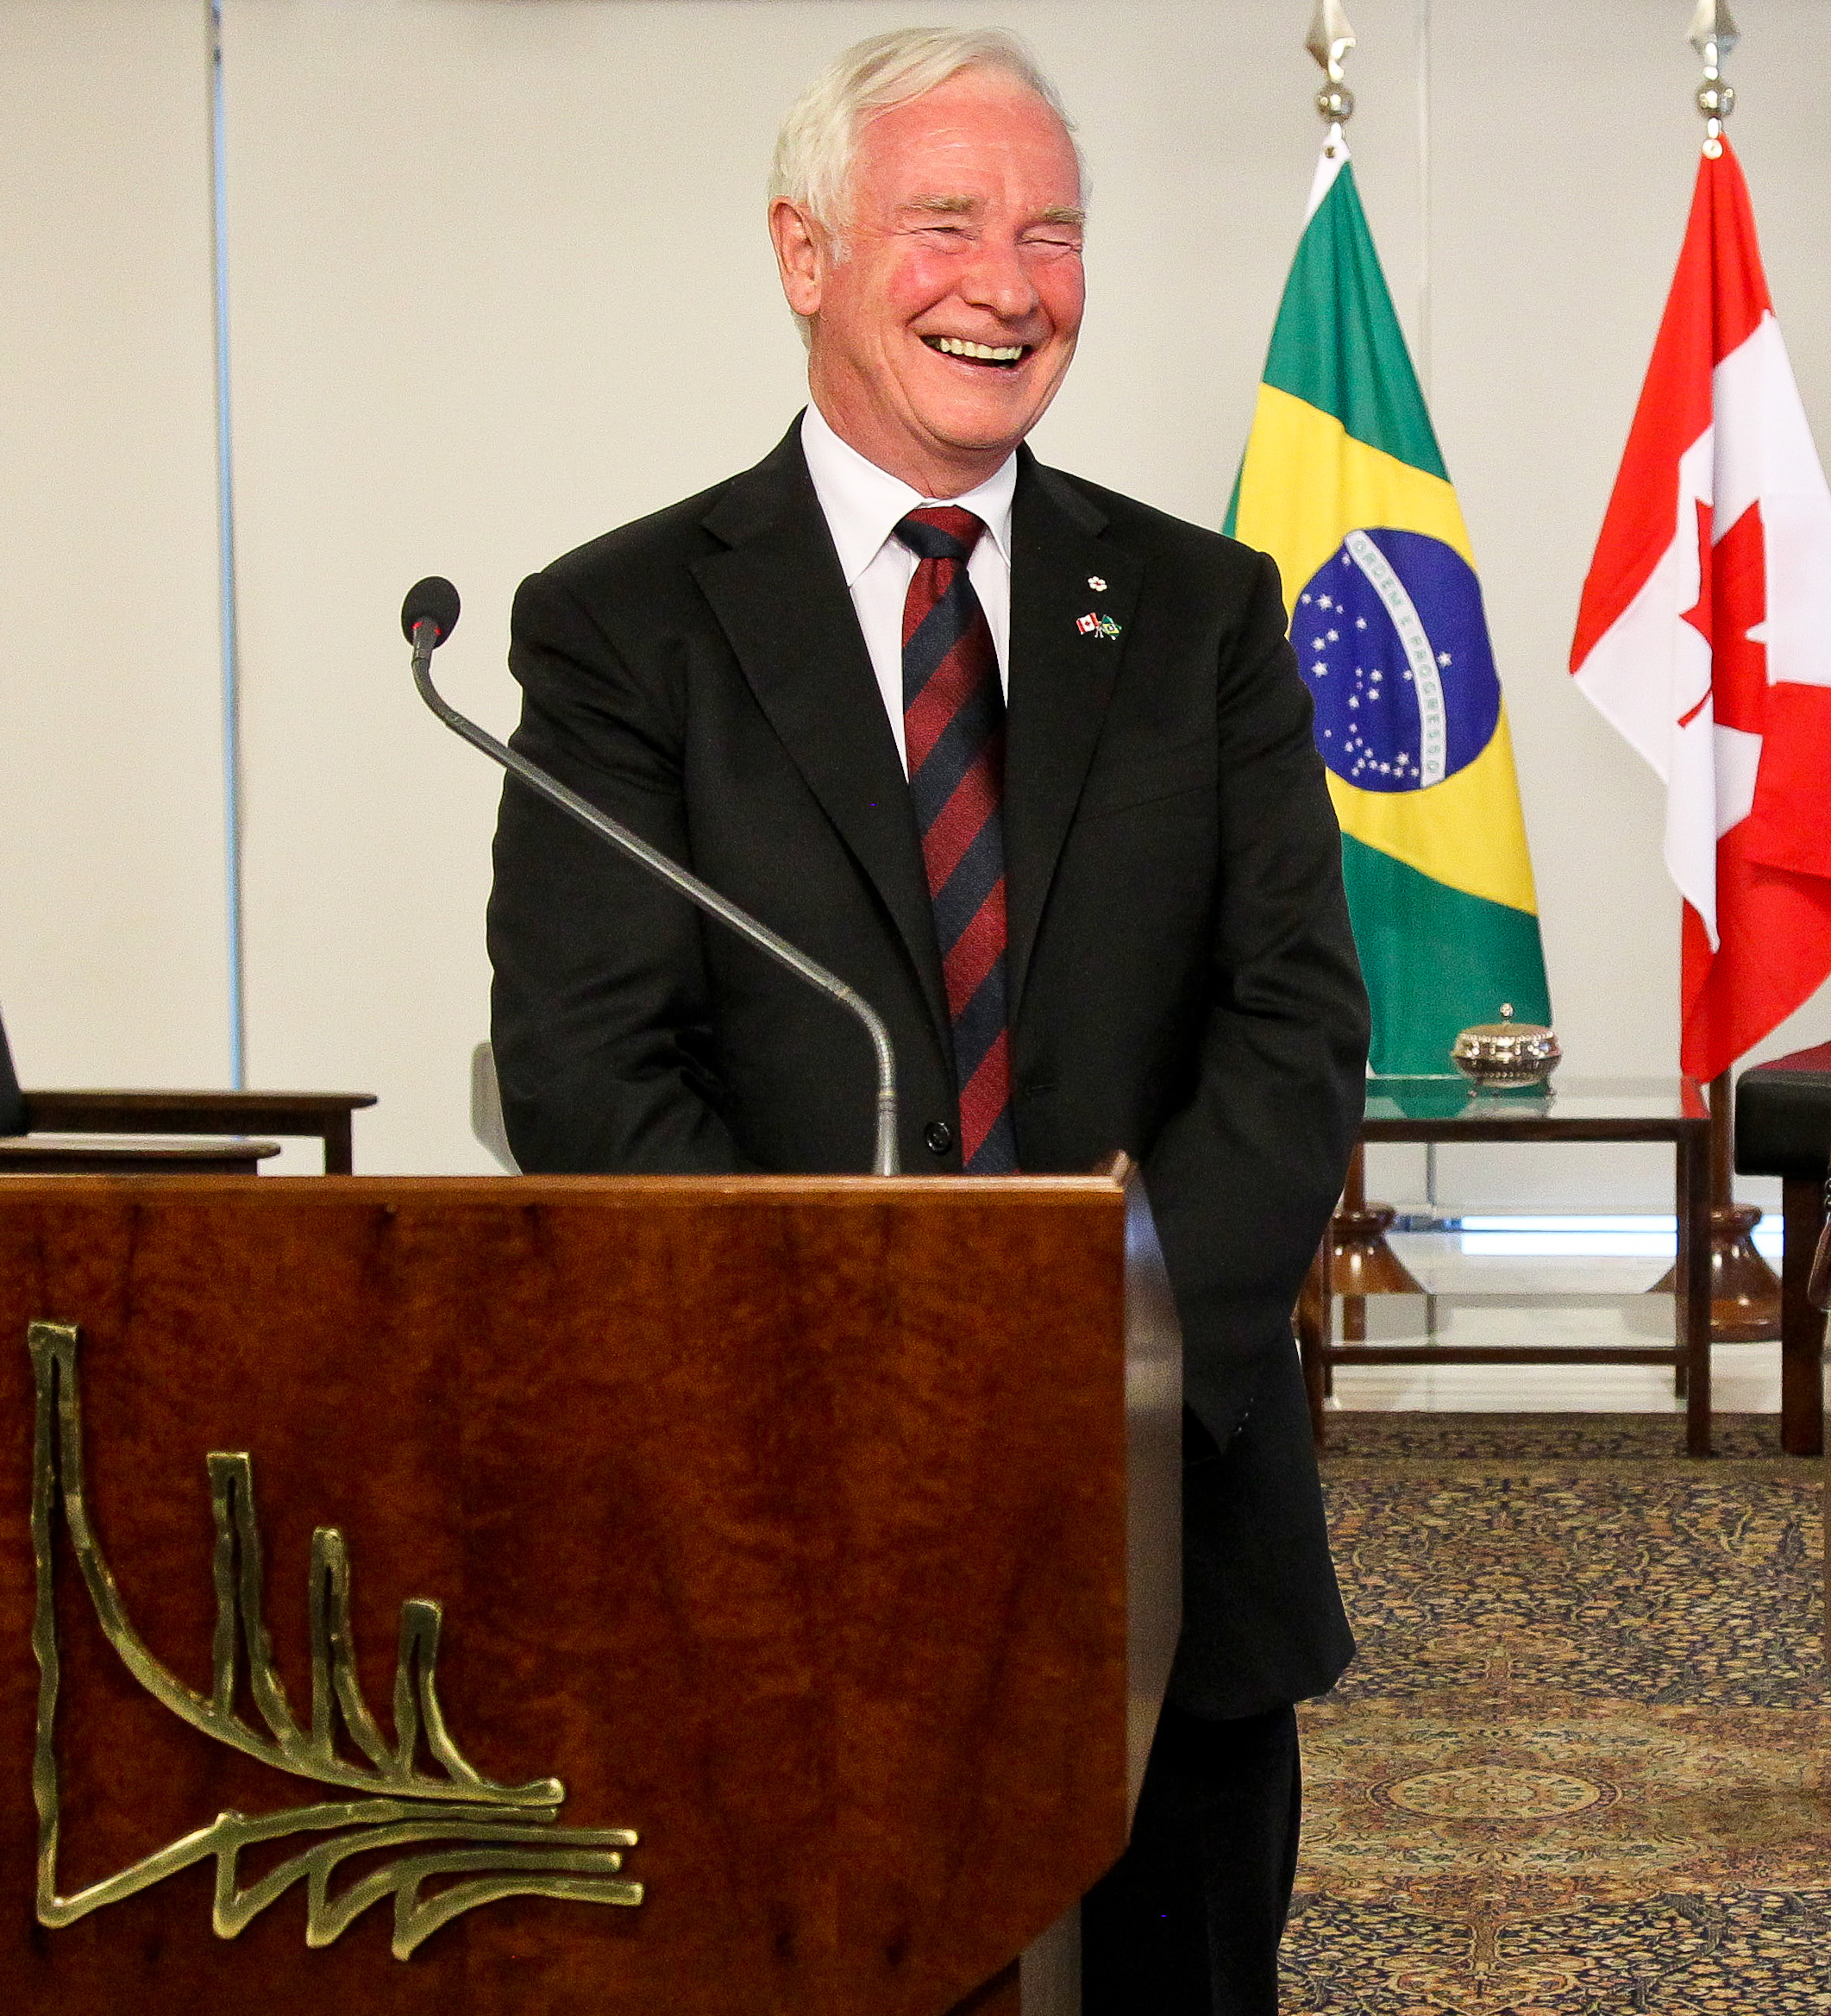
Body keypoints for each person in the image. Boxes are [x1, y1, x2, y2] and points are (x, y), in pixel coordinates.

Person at [486, 28, 1365, 2012]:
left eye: (1052, 230)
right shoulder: (620, 625)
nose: (1010, 278)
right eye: (946, 220)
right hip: (783, 1505)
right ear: (804, 253)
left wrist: (1117, 1366)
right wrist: (861, 1389)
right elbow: (595, 1066)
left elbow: (1293, 1023)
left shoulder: (1207, 608)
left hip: (1167, 1527)